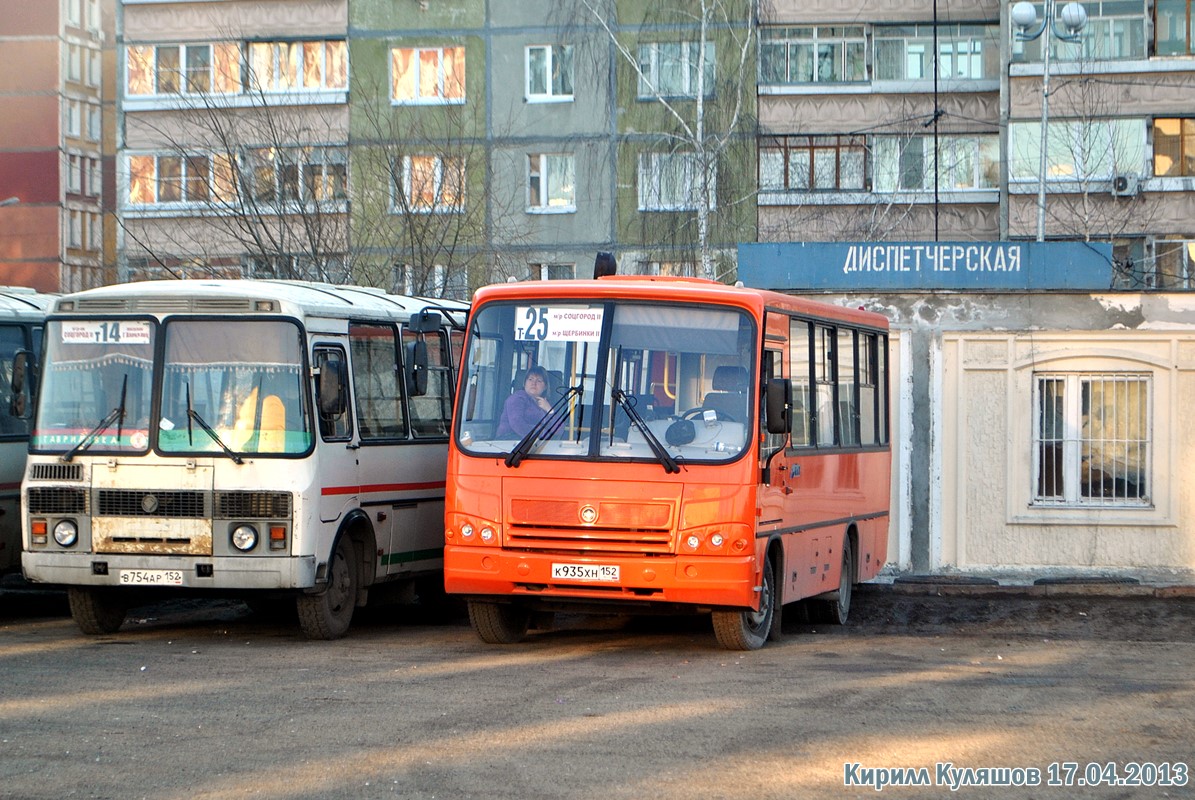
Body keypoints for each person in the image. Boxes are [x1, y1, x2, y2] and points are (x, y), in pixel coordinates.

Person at [496, 365, 552, 438]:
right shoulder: (517, 398)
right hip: (509, 442)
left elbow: (559, 429)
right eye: (530, 379)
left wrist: (549, 410)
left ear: (545, 387)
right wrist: (541, 433)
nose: (533, 383)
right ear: (524, 383)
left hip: (536, 444)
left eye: (539, 381)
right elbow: (517, 423)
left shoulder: (545, 403)